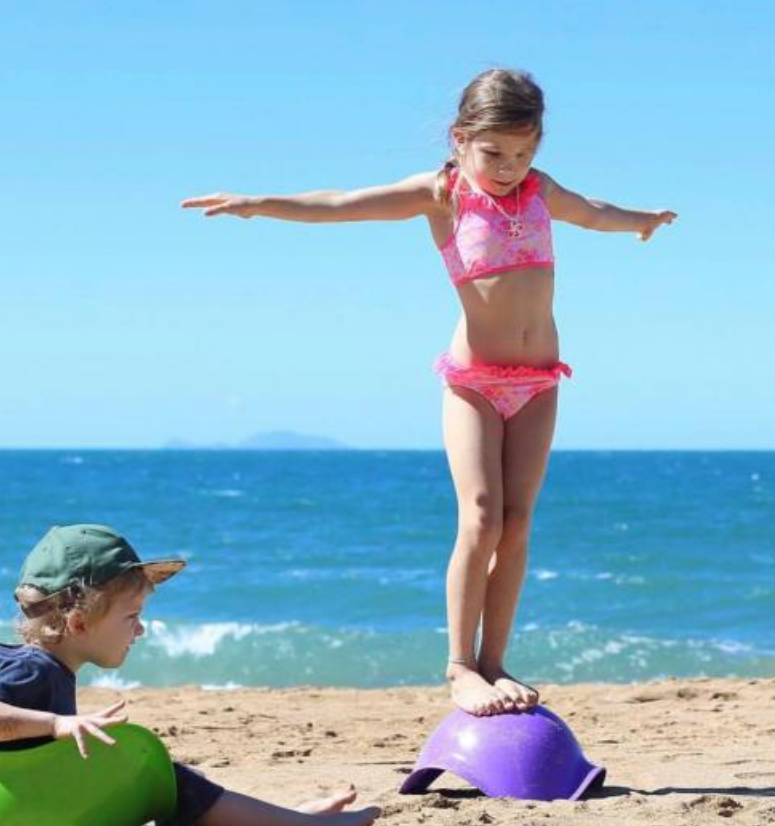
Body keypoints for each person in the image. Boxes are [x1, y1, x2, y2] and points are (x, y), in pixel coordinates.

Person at [182, 69, 677, 717]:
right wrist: (259, 202)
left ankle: (496, 662)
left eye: (524, 153)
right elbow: (339, 202)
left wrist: (640, 220)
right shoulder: (443, 194)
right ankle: (460, 666)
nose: (509, 167)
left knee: (518, 523)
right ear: (461, 137)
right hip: (473, 383)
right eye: (494, 152)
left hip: (539, 381)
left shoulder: (539, 191)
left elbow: (593, 213)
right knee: (480, 516)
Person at [0, 524, 381, 826]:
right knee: (160, 778)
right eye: (131, 616)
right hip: (31, 811)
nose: (140, 629)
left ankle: (286, 820)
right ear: (78, 622)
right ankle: (294, 824)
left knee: (170, 789)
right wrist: (59, 724)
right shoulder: (31, 668)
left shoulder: (39, 667)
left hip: (32, 802)